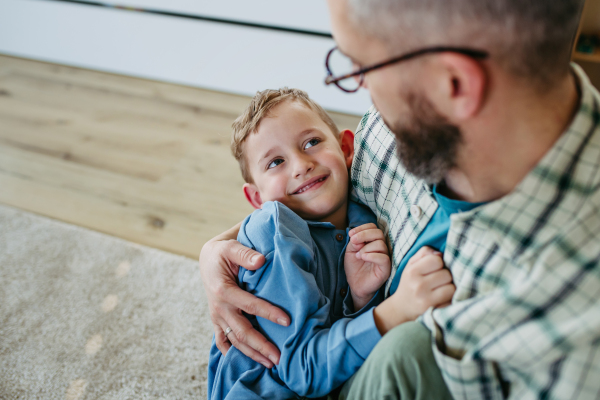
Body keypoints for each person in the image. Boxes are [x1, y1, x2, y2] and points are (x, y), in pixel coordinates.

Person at [201, 0, 600, 398]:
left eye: (362, 67)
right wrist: (221, 248)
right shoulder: (391, 134)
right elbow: (298, 210)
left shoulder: (570, 339)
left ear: (452, 85)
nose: (364, 92)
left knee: (407, 353)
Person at [207, 88, 455, 399]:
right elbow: (302, 371)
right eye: (276, 162)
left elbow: (338, 345)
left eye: (311, 143)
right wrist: (395, 311)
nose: (300, 165)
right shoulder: (272, 230)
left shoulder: (365, 222)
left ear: (346, 148)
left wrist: (358, 301)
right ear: (257, 198)